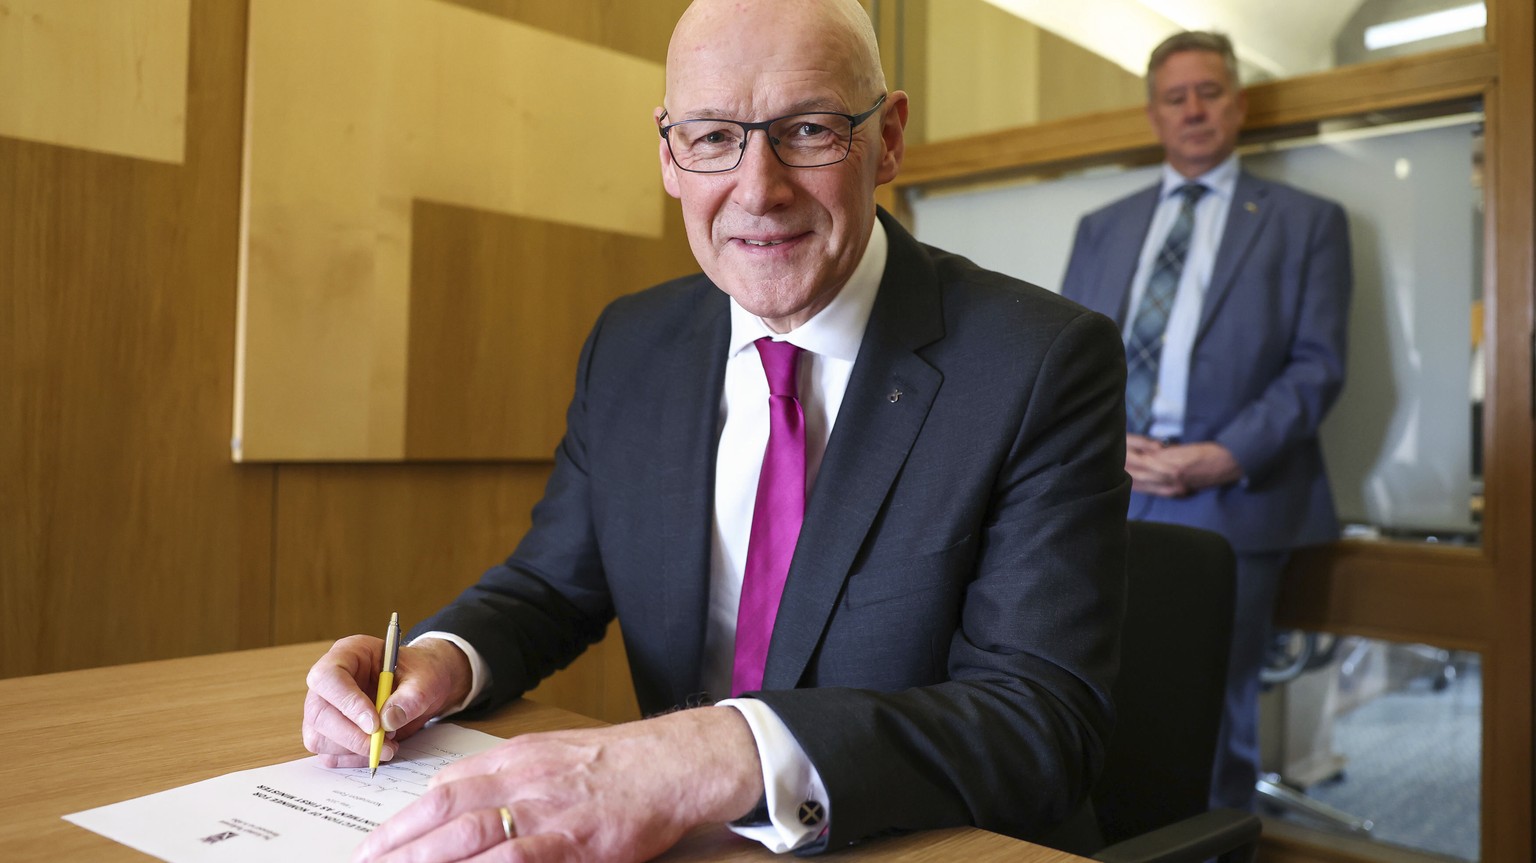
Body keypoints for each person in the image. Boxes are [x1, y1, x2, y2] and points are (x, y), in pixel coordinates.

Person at [303, 1, 1130, 859]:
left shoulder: (1040, 362)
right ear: (669, 155)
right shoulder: (631, 345)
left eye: (808, 130)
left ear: (888, 138)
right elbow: (551, 585)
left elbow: (1041, 722)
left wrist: (712, 752)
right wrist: (439, 661)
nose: (757, 187)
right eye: (711, 138)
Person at [1061, 31, 1351, 813]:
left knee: (1218, 719)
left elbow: (1319, 365)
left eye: (1209, 91)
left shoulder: (1307, 221)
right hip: (1107, 494)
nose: (1193, 109)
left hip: (1235, 500)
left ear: (1239, 104)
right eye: (1175, 95)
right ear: (1153, 114)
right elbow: (1067, 358)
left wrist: (1224, 455)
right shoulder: (1104, 225)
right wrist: (1100, 440)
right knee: (1092, 695)